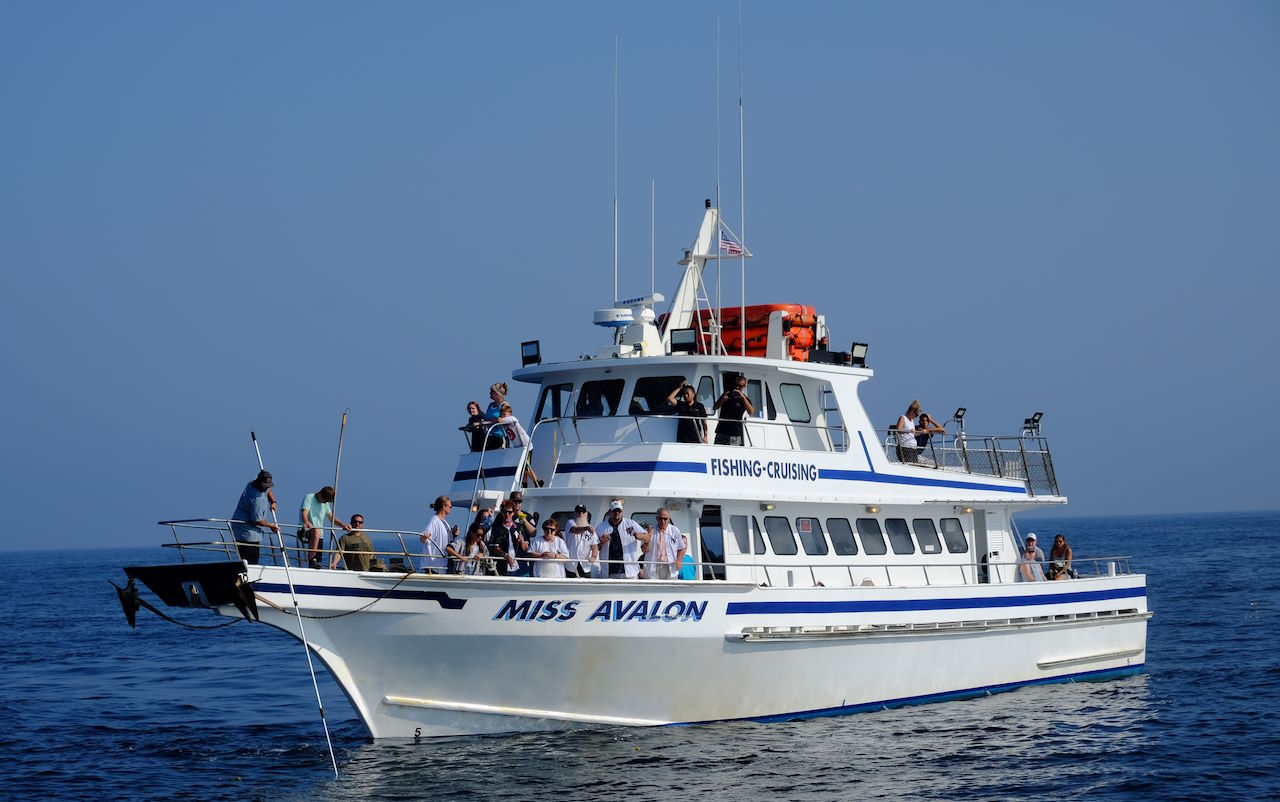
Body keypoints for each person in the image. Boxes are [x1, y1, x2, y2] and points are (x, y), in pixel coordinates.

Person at [231, 470, 279, 565]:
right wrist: (271, 526)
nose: (266, 488)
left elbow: (268, 489)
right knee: (251, 561)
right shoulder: (257, 500)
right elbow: (256, 520)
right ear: (260, 483)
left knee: (244, 560)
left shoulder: (253, 481)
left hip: (239, 526)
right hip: (247, 533)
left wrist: (273, 501)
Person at [596, 500, 651, 579]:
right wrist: (601, 542)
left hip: (630, 572)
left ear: (622, 511)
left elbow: (648, 537)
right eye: (614, 511)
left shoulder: (631, 524)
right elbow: (595, 547)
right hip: (608, 573)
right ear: (610, 512)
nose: (617, 513)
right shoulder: (601, 527)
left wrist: (639, 536)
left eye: (619, 511)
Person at [299, 486, 350, 569]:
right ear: (320, 494)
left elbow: (331, 518)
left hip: (319, 535)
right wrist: (306, 522)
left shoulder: (325, 503)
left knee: (318, 565)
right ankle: (311, 559)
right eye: (325, 500)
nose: (325, 503)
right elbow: (304, 513)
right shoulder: (309, 497)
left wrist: (343, 525)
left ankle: (313, 569)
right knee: (317, 531)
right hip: (305, 530)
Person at [497, 402, 542, 487]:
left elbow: (499, 420)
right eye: (501, 414)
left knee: (526, 467)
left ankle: (537, 483)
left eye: (504, 414)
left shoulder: (513, 419)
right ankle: (524, 485)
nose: (503, 416)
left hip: (526, 446)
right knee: (522, 469)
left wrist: (498, 418)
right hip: (519, 448)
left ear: (510, 414)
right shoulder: (505, 425)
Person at [486, 502, 530, 577]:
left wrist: (522, 540)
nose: (507, 514)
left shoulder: (519, 527)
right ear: (502, 512)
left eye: (510, 512)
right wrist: (506, 556)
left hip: (520, 568)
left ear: (514, 513)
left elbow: (525, 548)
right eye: (504, 512)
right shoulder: (496, 528)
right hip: (502, 568)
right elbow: (495, 547)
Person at [643, 507, 686, 580]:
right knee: (654, 590)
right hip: (654, 565)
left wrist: (679, 560)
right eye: (660, 519)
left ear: (669, 519)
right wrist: (649, 537)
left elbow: (681, 548)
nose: (663, 521)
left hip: (670, 565)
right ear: (656, 518)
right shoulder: (650, 530)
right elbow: (644, 550)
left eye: (665, 519)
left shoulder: (675, 530)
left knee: (671, 590)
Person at [712, 375, 755, 446]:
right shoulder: (726, 394)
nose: (737, 388)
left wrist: (743, 397)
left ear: (744, 386)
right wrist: (722, 400)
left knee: (734, 453)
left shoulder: (744, 399)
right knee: (718, 452)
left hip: (735, 433)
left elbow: (751, 412)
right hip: (722, 430)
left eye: (739, 386)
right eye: (735, 385)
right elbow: (715, 407)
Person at [420, 496, 454, 574]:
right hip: (434, 566)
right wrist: (425, 537)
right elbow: (423, 538)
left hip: (441, 565)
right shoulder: (434, 521)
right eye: (450, 506)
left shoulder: (445, 522)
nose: (451, 508)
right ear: (443, 507)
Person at [564, 504, 599, 578]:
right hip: (571, 565)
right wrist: (586, 528)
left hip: (585, 566)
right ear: (575, 513)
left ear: (586, 514)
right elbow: (575, 530)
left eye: (583, 512)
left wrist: (593, 556)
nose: (580, 514)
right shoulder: (570, 523)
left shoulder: (591, 530)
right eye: (578, 512)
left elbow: (595, 546)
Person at [483, 382, 508, 450]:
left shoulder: (505, 405)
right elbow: (486, 418)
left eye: (491, 392)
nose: (490, 393)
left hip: (500, 437)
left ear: (497, 393)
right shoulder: (490, 405)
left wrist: (489, 422)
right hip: (489, 437)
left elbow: (504, 420)